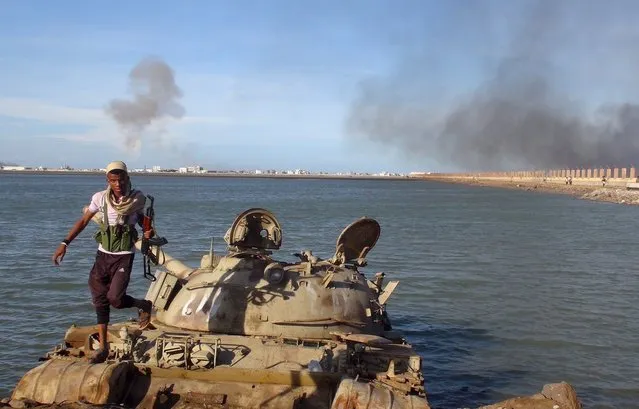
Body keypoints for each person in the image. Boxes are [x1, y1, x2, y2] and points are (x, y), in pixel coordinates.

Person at [52, 160, 154, 364]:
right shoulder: (100, 198)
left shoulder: (137, 199)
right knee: (100, 298)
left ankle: (143, 304)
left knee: (115, 298)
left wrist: (149, 231)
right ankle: (104, 348)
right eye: (113, 180)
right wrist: (65, 242)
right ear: (108, 180)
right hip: (103, 255)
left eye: (121, 179)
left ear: (127, 178)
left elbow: (144, 220)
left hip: (124, 255)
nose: (118, 183)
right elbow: (83, 221)